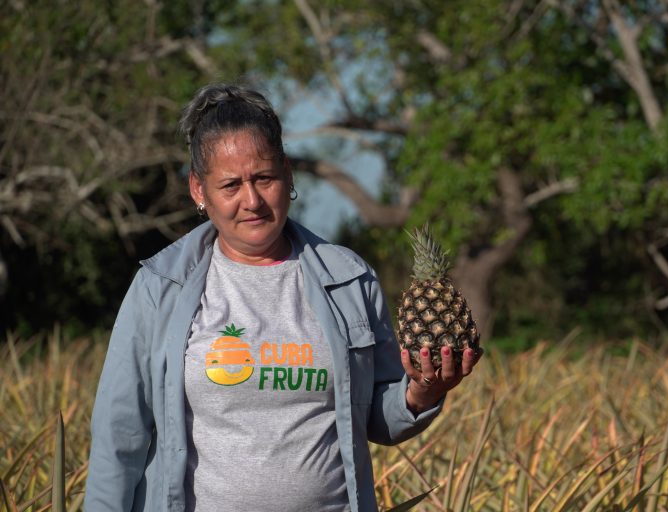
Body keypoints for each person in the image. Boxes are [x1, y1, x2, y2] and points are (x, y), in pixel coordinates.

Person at [84, 83, 481, 512]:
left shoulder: (349, 279)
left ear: (288, 174)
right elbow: (118, 436)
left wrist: (423, 392)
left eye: (264, 178)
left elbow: (374, 415)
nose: (251, 200)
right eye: (230, 185)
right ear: (199, 191)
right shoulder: (160, 287)